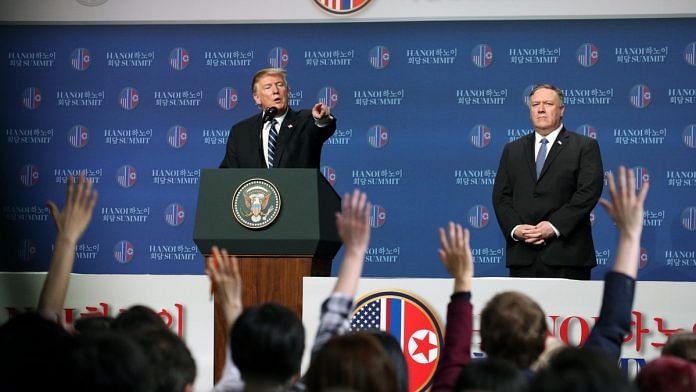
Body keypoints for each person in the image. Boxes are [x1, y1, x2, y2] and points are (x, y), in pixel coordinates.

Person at [432, 166, 648, 391]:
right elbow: (611, 328)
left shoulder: (457, 385)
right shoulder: (580, 383)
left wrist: (462, 283)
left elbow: (454, 358)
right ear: (545, 341)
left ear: (483, 344)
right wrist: (630, 236)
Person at [492, 83, 604, 279]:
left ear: (561, 110)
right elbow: (501, 197)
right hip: (523, 257)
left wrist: (553, 226)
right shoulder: (513, 149)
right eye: (535, 104)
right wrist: (516, 229)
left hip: (567, 256)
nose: (541, 109)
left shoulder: (584, 146)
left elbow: (588, 193)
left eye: (548, 104)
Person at [219, 67, 336, 169]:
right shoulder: (241, 131)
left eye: (280, 85)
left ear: (288, 92)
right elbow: (228, 173)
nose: (275, 91)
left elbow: (323, 127)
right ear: (257, 98)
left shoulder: (306, 120)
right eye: (268, 87)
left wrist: (322, 119)